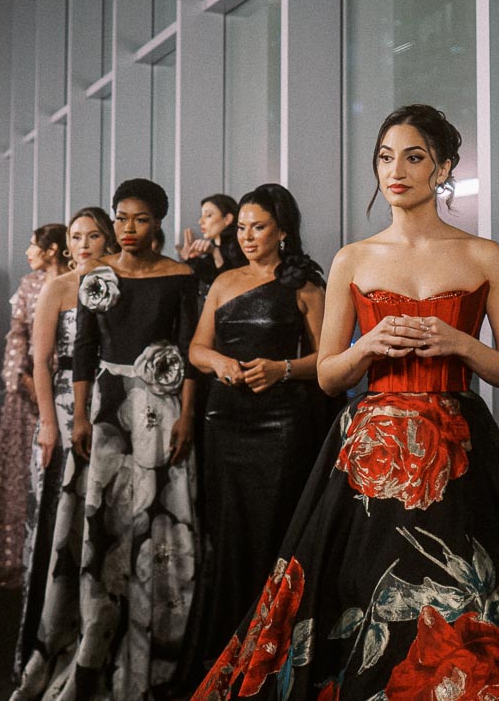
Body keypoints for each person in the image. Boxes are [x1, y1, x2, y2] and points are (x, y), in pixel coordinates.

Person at [190, 106, 499, 700]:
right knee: (360, 601)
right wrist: (365, 347)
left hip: (459, 454)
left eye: (415, 157)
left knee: (473, 604)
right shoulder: (353, 259)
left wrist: (460, 343)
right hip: (369, 455)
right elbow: (330, 377)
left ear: (443, 168)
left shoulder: (484, 255)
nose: (397, 170)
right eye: (386, 157)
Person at [32, 178, 197, 698]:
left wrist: (187, 416)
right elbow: (82, 349)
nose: (128, 228)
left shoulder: (180, 276)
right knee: (105, 520)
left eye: (140, 219)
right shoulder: (96, 278)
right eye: (121, 218)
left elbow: (192, 352)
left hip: (161, 407)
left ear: (158, 223)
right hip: (104, 408)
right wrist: (77, 416)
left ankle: (155, 648)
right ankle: (95, 641)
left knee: (155, 521)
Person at [180, 184, 327, 684]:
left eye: (257, 227)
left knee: (272, 534)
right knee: (227, 534)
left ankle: (270, 656)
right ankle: (226, 651)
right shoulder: (223, 282)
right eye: (240, 227)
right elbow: (197, 350)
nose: (246, 236)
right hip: (224, 423)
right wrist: (218, 360)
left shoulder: (304, 286)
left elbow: (329, 363)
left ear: (283, 230)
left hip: (283, 425)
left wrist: (282, 369)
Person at [12, 205, 117, 692]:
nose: (83, 244)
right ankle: (49, 636)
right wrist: (48, 426)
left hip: (114, 411)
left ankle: (103, 638)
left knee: (107, 521)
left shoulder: (121, 283)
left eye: (93, 236)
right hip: (60, 405)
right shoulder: (57, 288)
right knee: (60, 524)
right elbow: (40, 362)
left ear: (108, 239)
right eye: (76, 236)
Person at [0, 224, 68, 591]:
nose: (29, 251)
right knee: (21, 474)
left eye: (34, 245)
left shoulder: (77, 282)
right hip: (26, 391)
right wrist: (19, 379)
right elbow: (17, 335)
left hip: (66, 389)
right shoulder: (29, 284)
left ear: (53, 249)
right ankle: (15, 559)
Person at [179, 194, 246, 313]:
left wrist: (215, 253)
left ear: (227, 219)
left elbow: (234, 286)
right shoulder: (209, 252)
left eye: (208, 215)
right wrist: (190, 259)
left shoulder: (241, 248)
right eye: (201, 216)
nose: (201, 221)